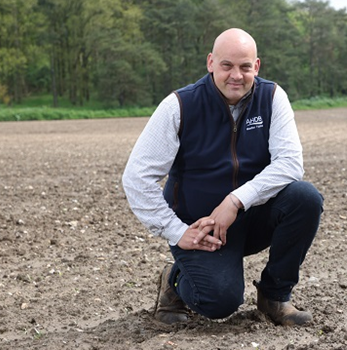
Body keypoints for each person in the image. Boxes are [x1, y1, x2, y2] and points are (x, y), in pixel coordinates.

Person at [122, 28, 323, 326]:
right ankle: (174, 278)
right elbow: (136, 177)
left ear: (256, 66)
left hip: (251, 216)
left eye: (245, 67)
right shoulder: (179, 106)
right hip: (200, 231)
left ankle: (274, 297)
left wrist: (235, 201)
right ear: (210, 63)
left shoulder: (272, 97)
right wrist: (178, 232)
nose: (236, 75)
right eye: (227, 65)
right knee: (219, 302)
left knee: (305, 199)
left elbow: (290, 163)